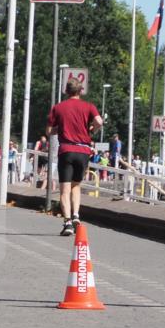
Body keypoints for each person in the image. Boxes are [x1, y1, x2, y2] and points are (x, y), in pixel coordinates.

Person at [47, 78, 103, 236]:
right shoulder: (89, 106)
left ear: (66, 91)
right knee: (76, 186)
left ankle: (68, 223)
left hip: (66, 150)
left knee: (64, 189)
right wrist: (92, 130)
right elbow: (99, 121)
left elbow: (49, 130)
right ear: (81, 91)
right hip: (83, 151)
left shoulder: (58, 108)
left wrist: (61, 129)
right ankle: (76, 215)